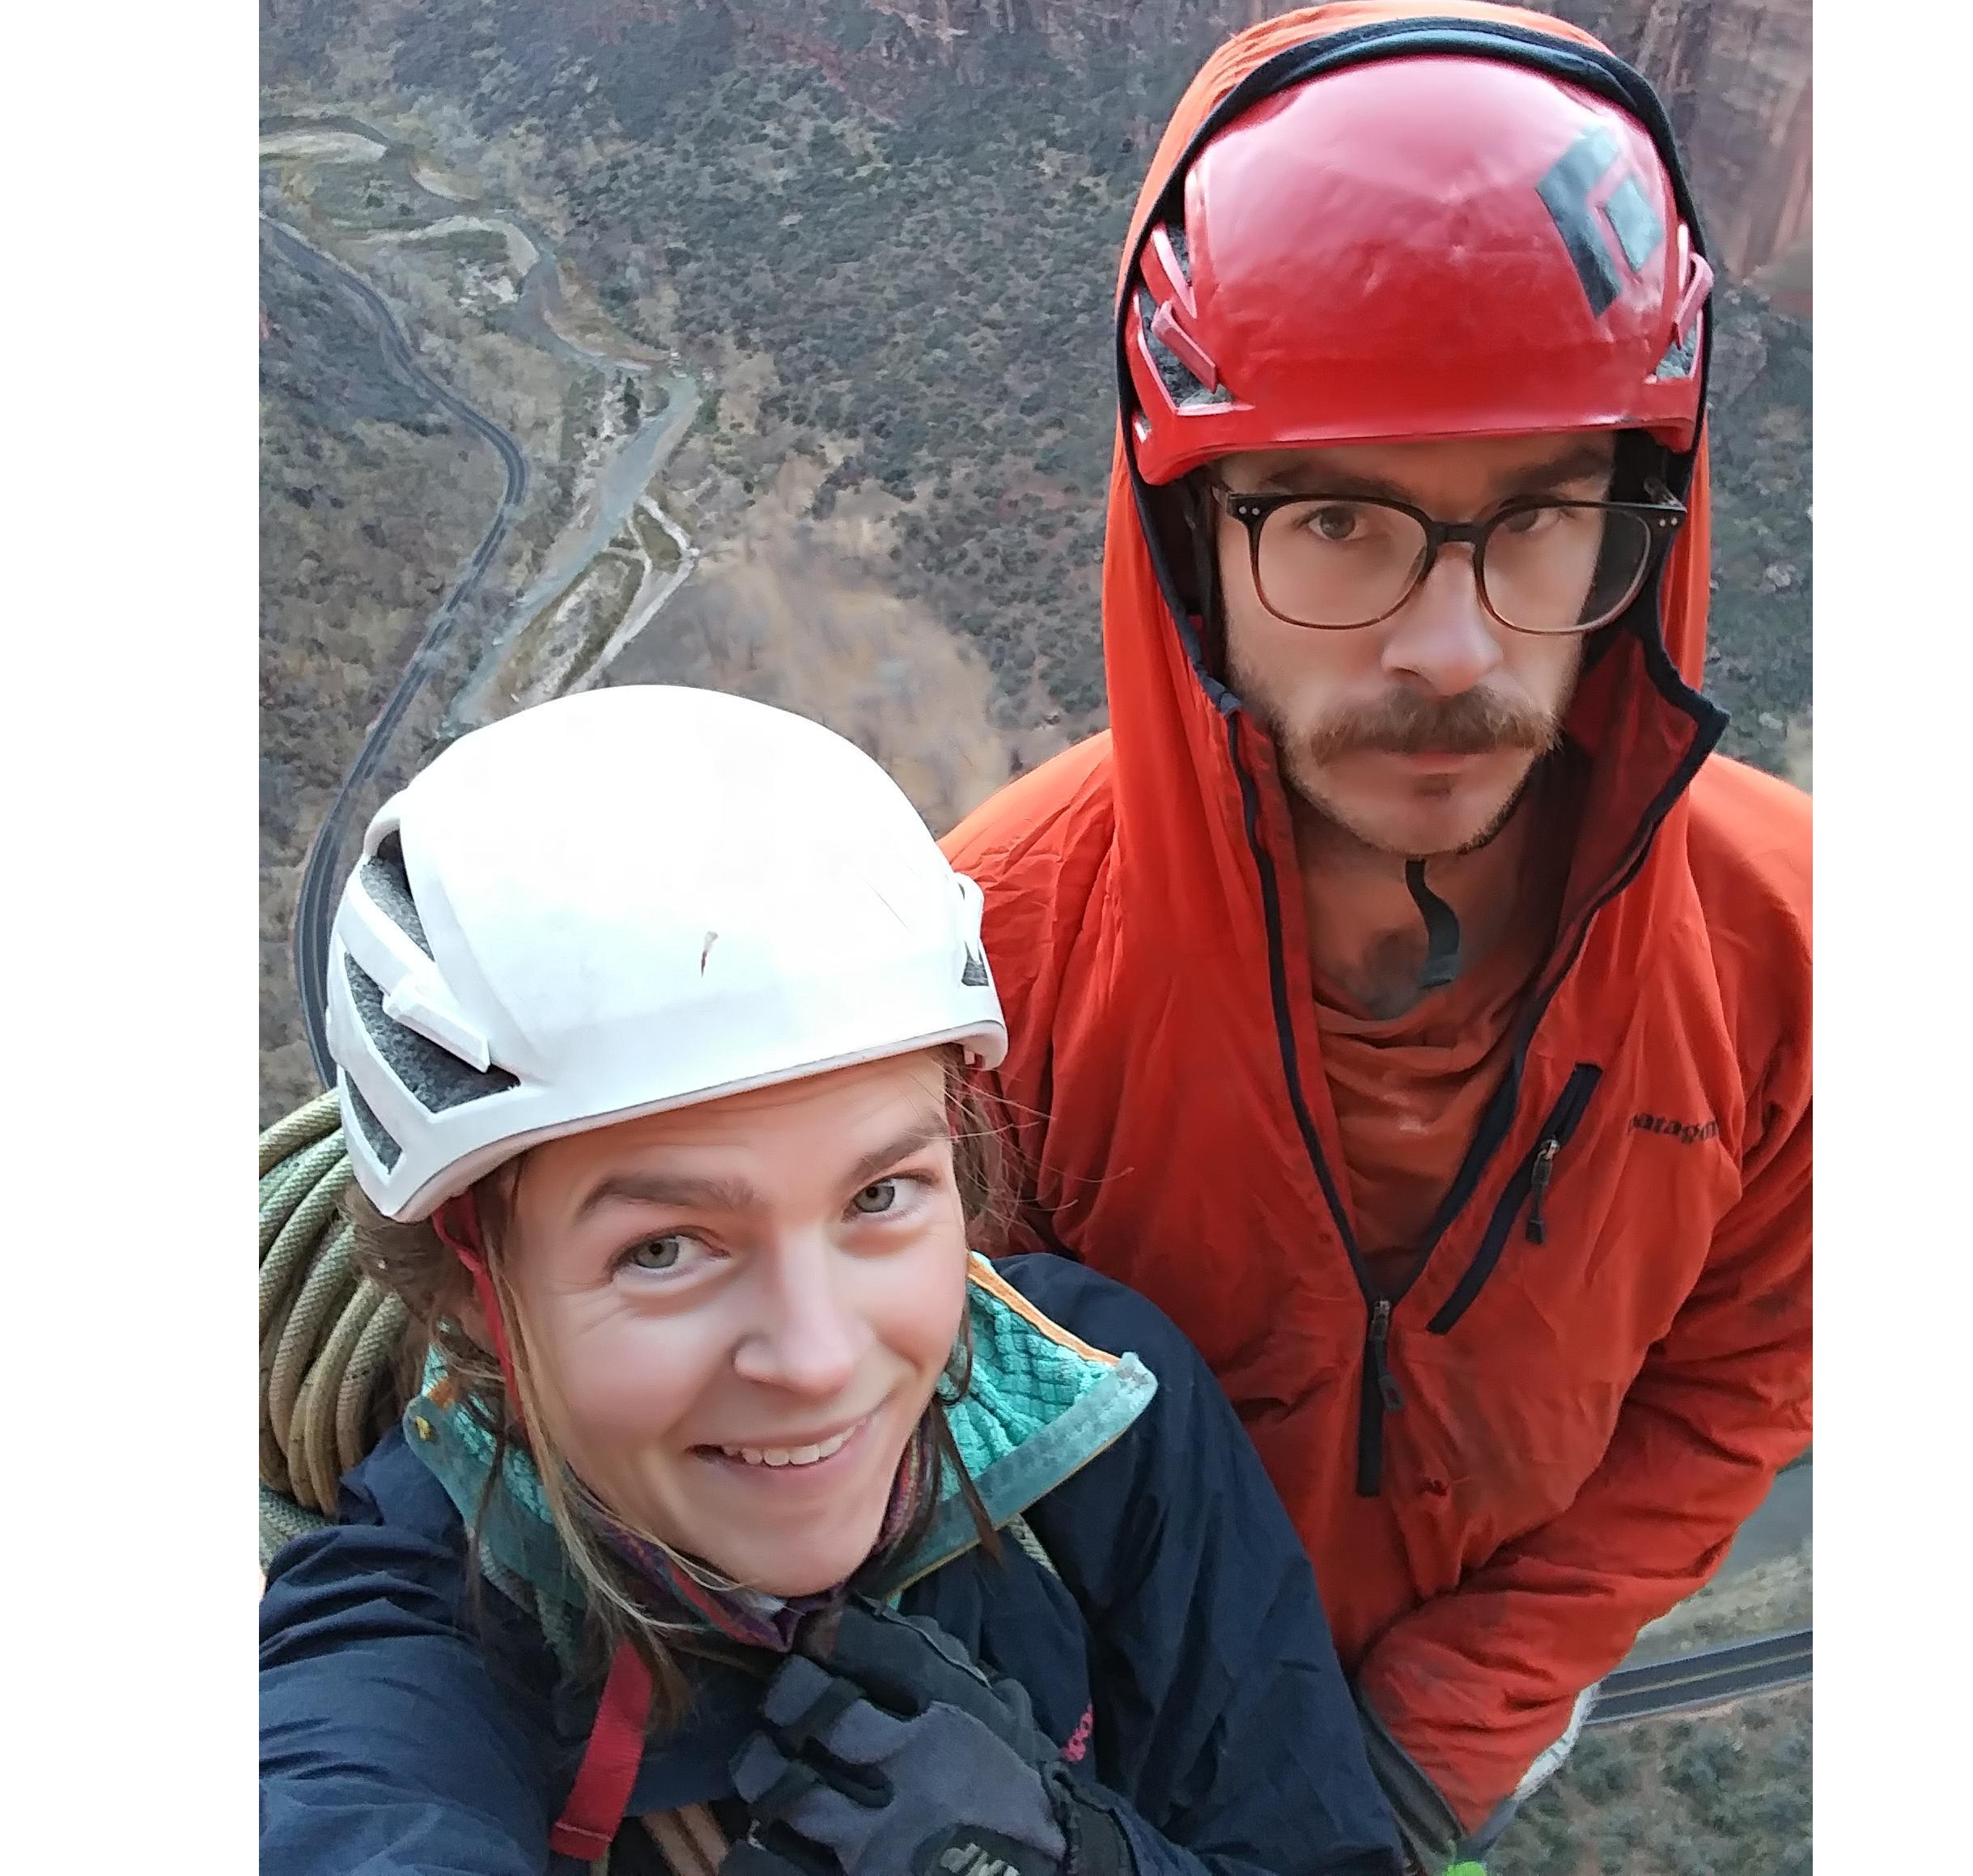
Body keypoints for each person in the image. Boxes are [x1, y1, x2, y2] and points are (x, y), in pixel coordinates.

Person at [943, 0, 1812, 1870]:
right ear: (1188, 541)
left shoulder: (1792, 956)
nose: (1447, 645)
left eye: (1540, 517)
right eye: (1336, 521)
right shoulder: (993, 959)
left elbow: (1742, 1377)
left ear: (1640, 528)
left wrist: (1439, 1734)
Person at [258, 684, 1407, 1876]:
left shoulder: (1102, 1409)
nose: (815, 1360)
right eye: (664, 1250)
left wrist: (1087, 1859)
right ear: (472, 1288)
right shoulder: (412, 1635)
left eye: (879, 1197)